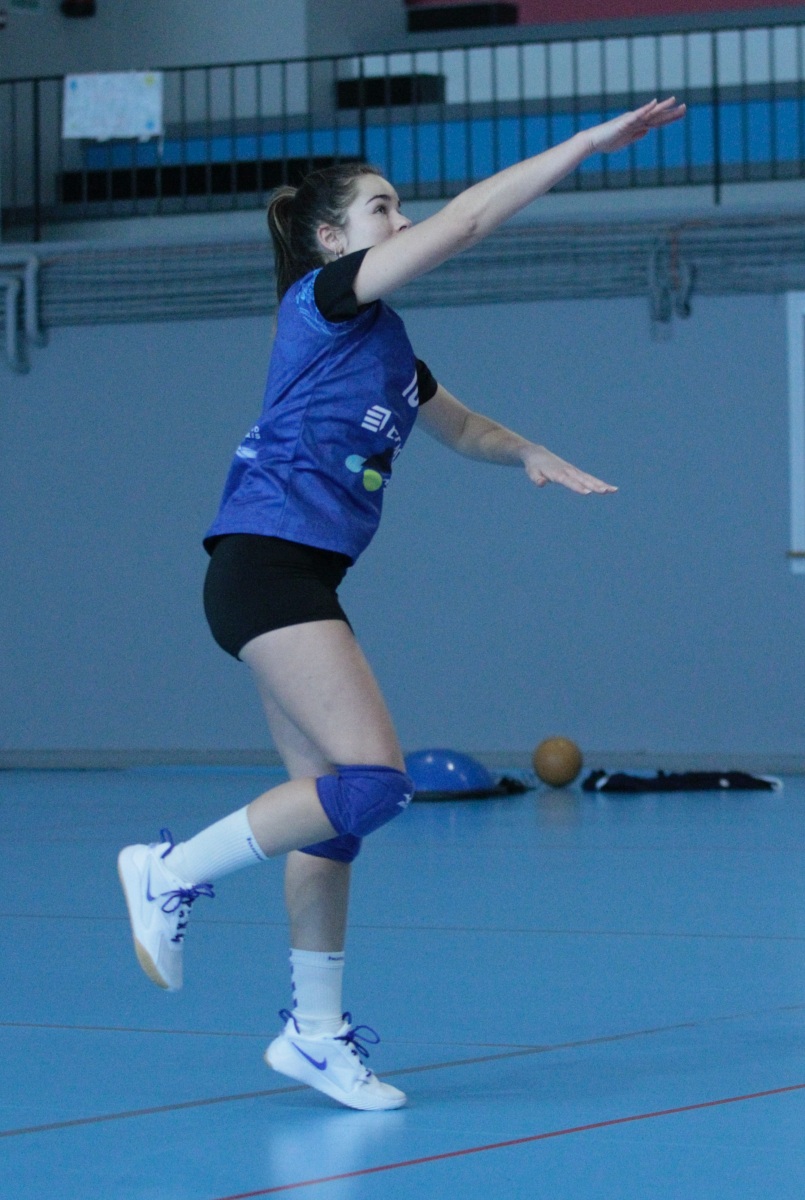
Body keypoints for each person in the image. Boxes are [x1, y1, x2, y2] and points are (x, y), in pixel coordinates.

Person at [118, 96, 685, 1111]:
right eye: (382, 208)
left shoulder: (384, 346)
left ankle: (314, 1034)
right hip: (266, 566)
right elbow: (466, 222)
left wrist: (527, 450)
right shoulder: (323, 301)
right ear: (332, 240)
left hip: (293, 575)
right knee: (375, 784)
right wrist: (586, 144)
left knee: (330, 822)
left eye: (399, 206)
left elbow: (457, 426)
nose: (404, 219)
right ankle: (169, 870)